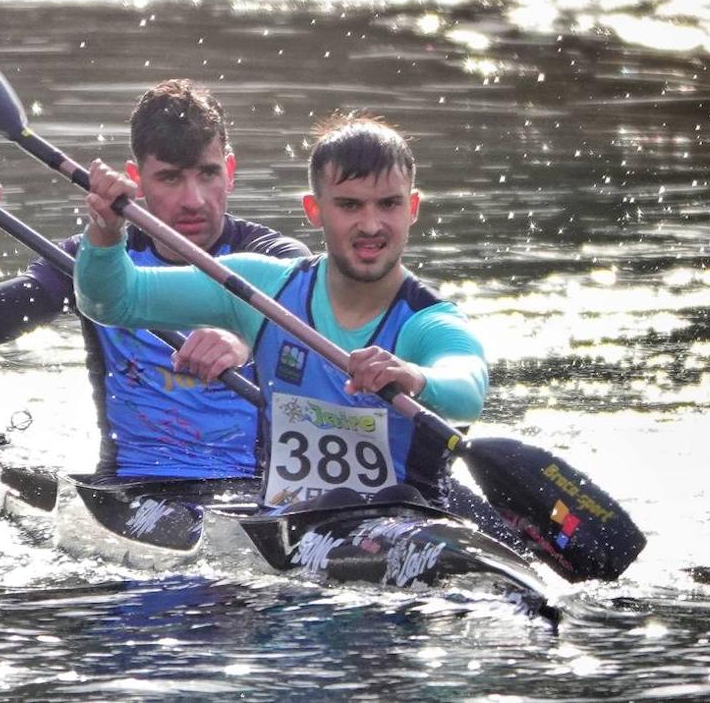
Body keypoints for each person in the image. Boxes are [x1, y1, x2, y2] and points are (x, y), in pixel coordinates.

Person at [73, 114, 488, 509]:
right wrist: (107, 232)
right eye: (349, 205)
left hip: (407, 524)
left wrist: (416, 376)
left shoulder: (427, 321)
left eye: (388, 204)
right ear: (314, 211)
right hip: (287, 526)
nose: (371, 225)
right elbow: (114, 301)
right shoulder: (264, 290)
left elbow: (467, 388)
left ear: (412, 208)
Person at [0, 79, 309, 480]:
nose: (194, 199)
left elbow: (309, 324)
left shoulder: (276, 258)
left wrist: (244, 339)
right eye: (170, 178)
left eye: (208, 174)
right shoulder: (91, 260)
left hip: (257, 489)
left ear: (229, 172)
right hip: (129, 485)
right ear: (137, 179)